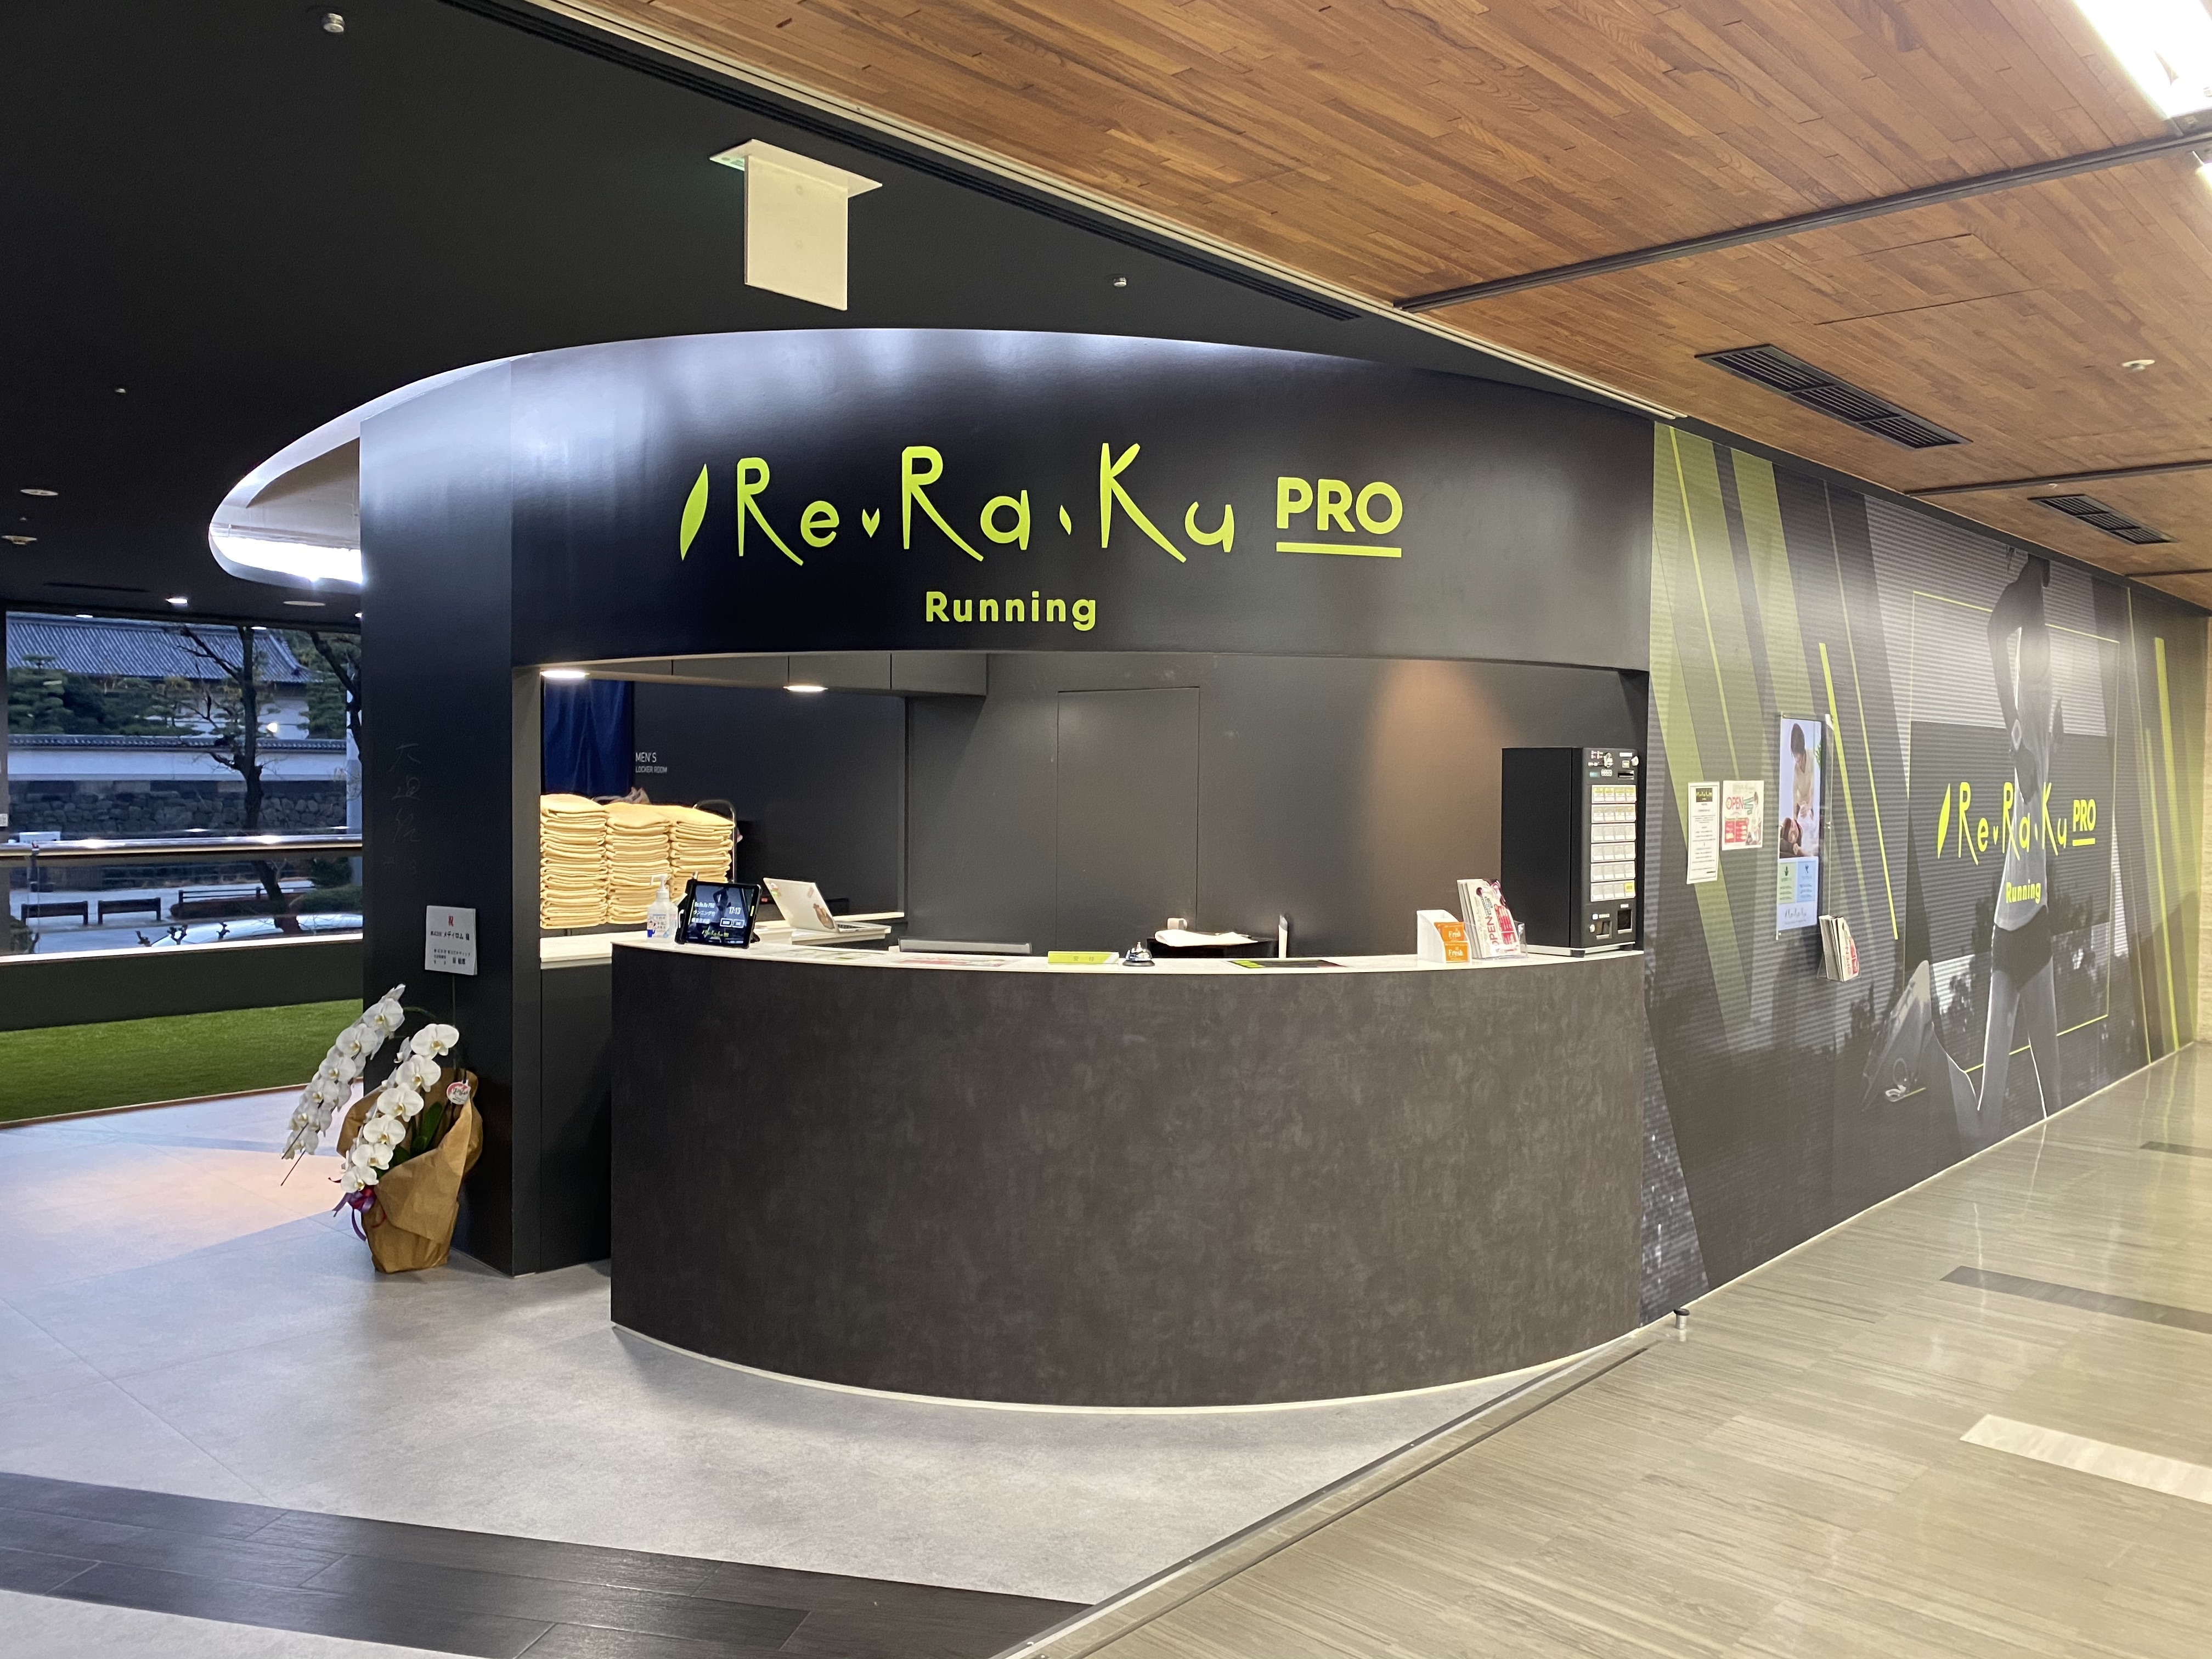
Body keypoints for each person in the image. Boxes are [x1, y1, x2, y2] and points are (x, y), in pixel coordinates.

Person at [1970, 556, 2061, 1144]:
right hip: (2016, 923)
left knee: (2052, 1099)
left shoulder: (2037, 723)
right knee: (1999, 1106)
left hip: (2027, 920)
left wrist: (2044, 734)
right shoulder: (2027, 593)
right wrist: (2016, 736)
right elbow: (1992, 634)